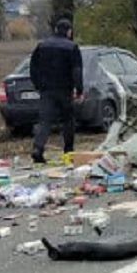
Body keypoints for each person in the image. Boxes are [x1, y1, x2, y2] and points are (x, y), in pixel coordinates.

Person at [30, 18, 84, 164]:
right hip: (65, 90)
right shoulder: (72, 47)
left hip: (46, 90)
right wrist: (79, 90)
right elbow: (77, 71)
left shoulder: (42, 46)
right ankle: (68, 152)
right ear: (69, 31)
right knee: (68, 121)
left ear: (55, 30)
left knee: (45, 121)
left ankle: (38, 148)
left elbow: (33, 68)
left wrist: (38, 85)